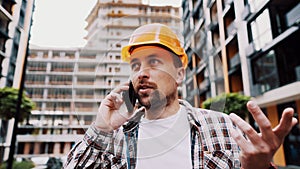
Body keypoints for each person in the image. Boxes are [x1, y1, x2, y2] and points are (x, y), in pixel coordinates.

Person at [63, 23, 298, 169]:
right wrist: (101, 128)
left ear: (179, 73)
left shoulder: (223, 126)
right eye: (135, 66)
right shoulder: (113, 137)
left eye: (154, 62)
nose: (141, 73)